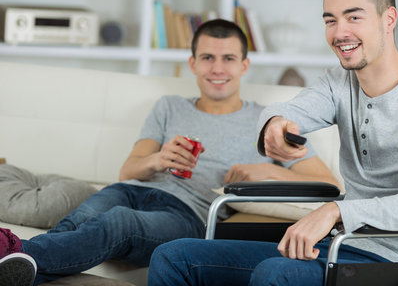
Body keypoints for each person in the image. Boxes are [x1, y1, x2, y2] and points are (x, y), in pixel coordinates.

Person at [147, 0, 398, 286]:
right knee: (174, 258)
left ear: (388, 19)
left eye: (353, 17)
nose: (339, 32)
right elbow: (289, 110)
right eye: (330, 20)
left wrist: (337, 212)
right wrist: (276, 124)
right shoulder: (338, 83)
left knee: (276, 274)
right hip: (339, 247)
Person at [0, 19, 339, 285]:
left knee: (117, 223)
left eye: (228, 59)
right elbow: (127, 171)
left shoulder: (266, 120)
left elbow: (327, 183)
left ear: (244, 66)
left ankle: (10, 252)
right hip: (131, 190)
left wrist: (268, 171)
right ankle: (15, 267)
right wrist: (158, 159)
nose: (217, 69)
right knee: (78, 222)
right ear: (192, 63)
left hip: (187, 215)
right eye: (207, 58)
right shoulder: (168, 106)